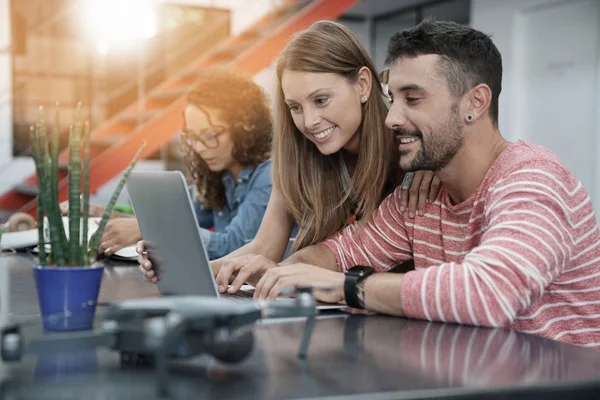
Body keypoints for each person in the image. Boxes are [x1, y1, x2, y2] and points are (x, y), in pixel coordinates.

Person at [221, 19, 600, 348]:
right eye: (394, 98)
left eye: (413, 99)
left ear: (476, 102)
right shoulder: (417, 199)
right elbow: (342, 251)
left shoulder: (533, 178)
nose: (391, 118)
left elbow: (488, 293)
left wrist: (346, 286)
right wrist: (293, 270)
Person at [138, 21, 441, 285]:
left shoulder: (414, 152)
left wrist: (432, 162)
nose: (308, 122)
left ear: (363, 85)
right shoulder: (298, 159)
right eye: (295, 107)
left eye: (321, 100)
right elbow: (264, 249)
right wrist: (183, 271)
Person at [63, 66, 273, 260]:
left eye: (210, 135)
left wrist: (149, 229)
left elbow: (233, 246)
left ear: (244, 129)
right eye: (193, 137)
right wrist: (103, 213)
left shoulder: (269, 175)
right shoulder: (221, 176)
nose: (199, 148)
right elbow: (180, 218)